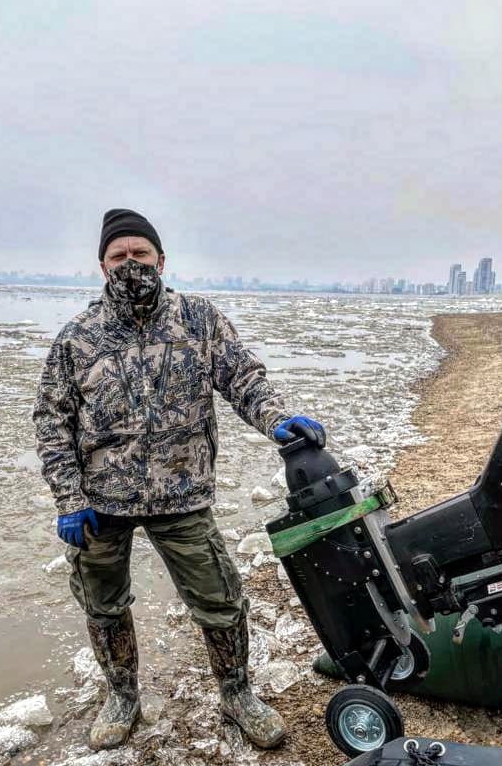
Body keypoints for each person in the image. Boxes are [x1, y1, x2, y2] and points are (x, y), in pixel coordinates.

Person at [32, 208, 326, 751]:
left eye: (140, 253)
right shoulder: (78, 337)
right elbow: (53, 422)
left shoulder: (198, 319)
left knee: (220, 600)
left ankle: (237, 695)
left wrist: (277, 419)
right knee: (103, 606)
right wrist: (69, 498)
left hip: (182, 495)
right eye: (119, 255)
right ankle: (122, 698)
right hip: (101, 503)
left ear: (161, 260)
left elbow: (243, 379)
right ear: (102, 266)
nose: (130, 263)